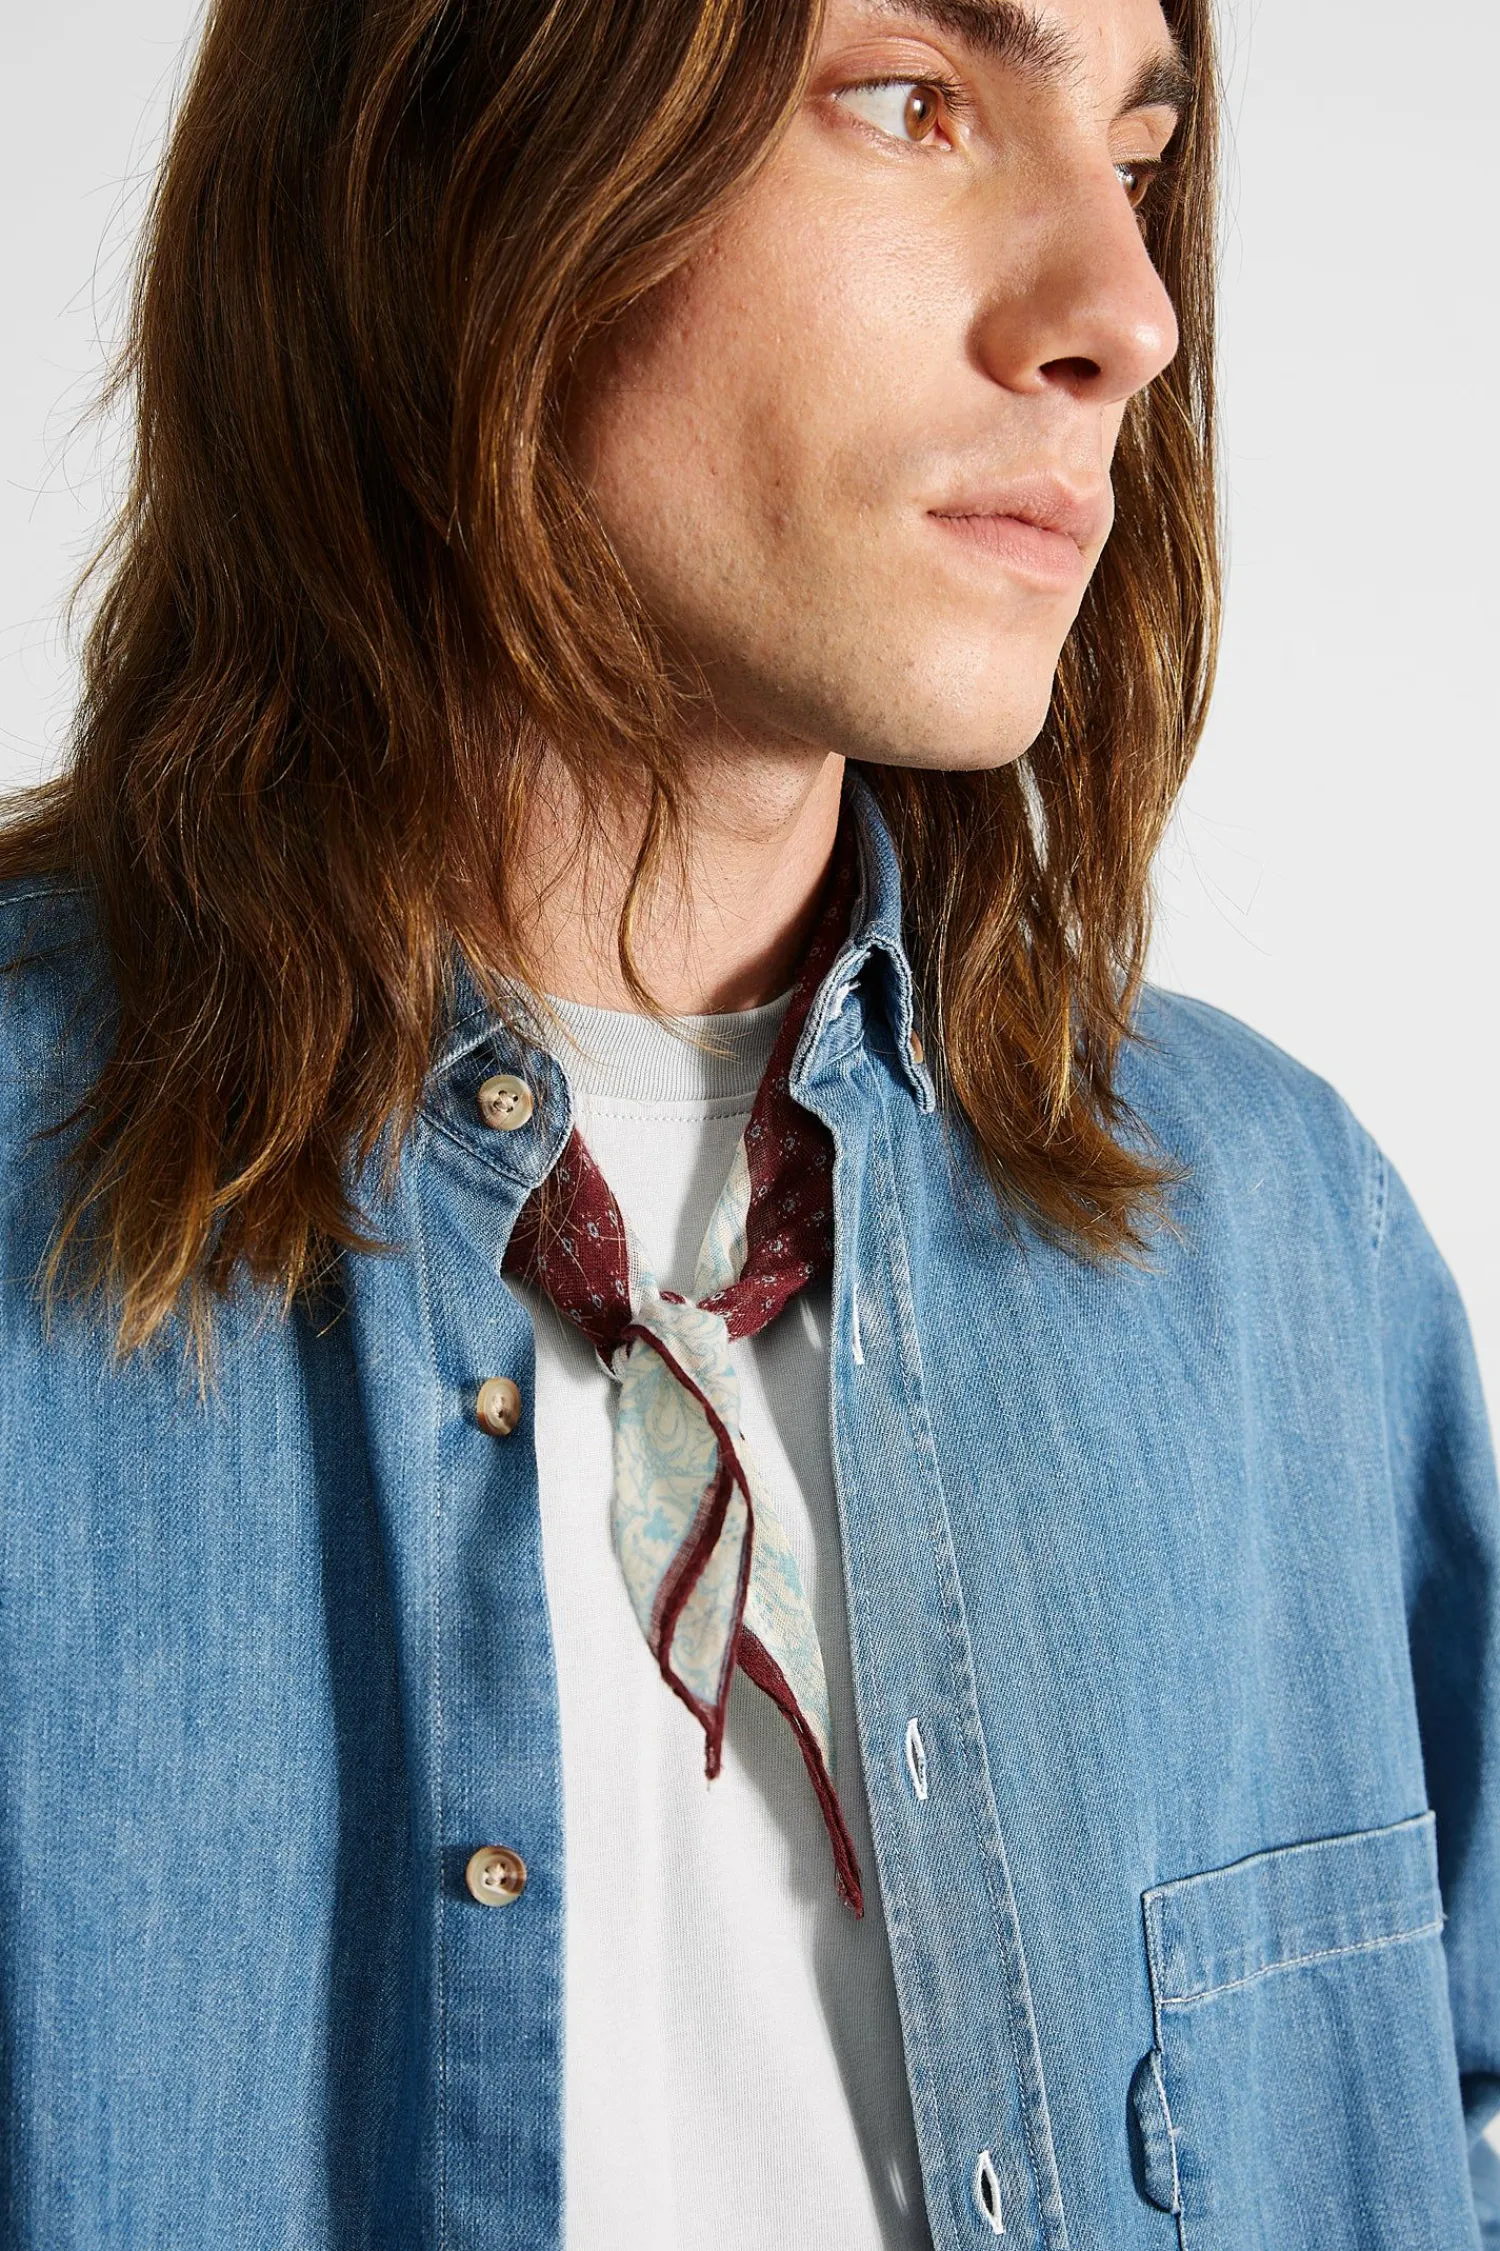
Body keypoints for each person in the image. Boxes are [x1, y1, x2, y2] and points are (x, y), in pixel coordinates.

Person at [0, 0, 1494, 2242]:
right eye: (912, 102)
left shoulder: (1286, 1246)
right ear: (456, 157)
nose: (1127, 313)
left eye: (1138, 157)